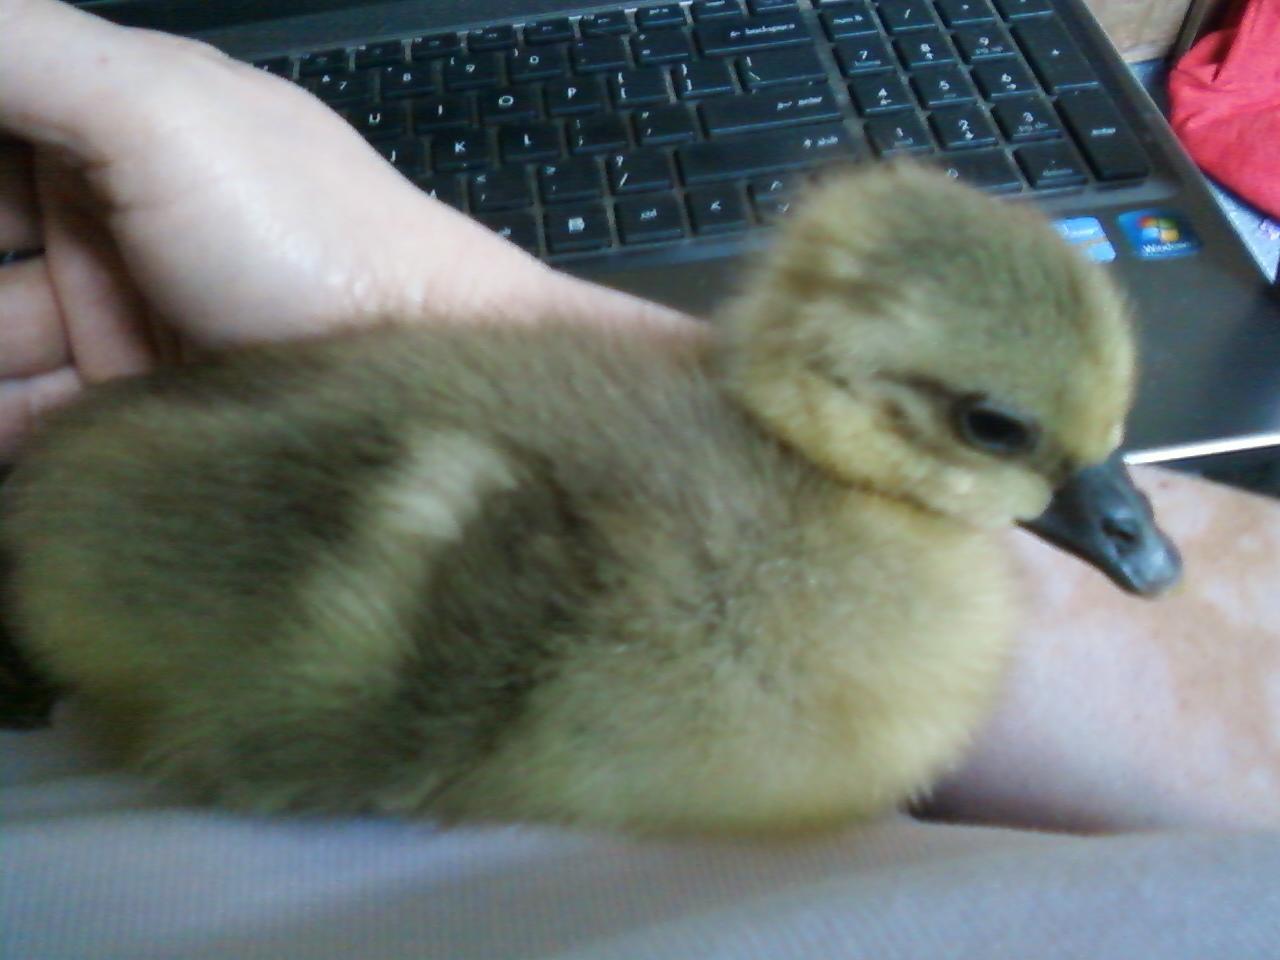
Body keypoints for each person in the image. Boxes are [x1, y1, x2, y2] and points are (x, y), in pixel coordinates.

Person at [1, 1, 1277, 956]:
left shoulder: (757, 569)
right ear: (830, 367)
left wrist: (425, 289)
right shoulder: (674, 590)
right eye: (997, 428)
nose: (1134, 540)